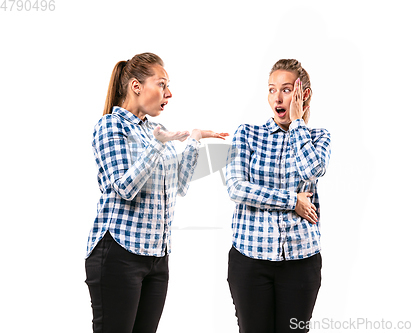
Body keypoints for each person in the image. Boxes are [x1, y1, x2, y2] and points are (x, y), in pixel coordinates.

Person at [85, 52, 228, 333]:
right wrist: (158, 145)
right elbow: (125, 188)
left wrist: (195, 140)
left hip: (157, 257)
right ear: (136, 86)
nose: (169, 93)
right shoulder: (110, 126)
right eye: (162, 84)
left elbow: (180, 184)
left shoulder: (155, 130)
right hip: (119, 253)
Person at [226, 59, 331, 333]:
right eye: (272, 90)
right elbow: (236, 188)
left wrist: (297, 124)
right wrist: (292, 201)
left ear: (302, 94)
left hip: (301, 261)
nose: (277, 97)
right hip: (250, 259)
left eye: (286, 90)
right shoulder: (247, 134)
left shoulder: (318, 138)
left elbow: (313, 169)